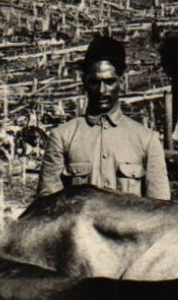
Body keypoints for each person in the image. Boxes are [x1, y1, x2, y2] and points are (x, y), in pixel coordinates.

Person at [36, 34, 170, 201]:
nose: (102, 91)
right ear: (84, 81)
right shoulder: (62, 137)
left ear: (122, 81)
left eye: (109, 81)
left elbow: (160, 211)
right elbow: (47, 207)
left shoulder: (146, 140)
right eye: (94, 82)